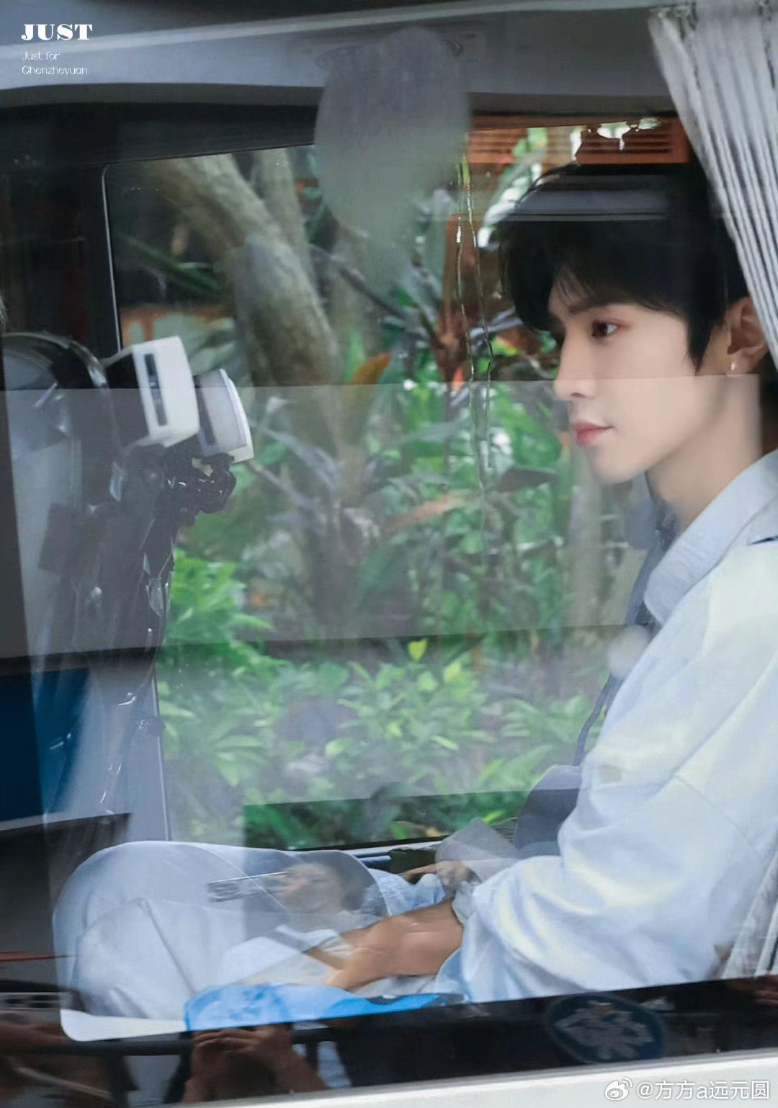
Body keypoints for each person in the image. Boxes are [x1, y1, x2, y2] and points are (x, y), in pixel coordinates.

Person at [55, 158, 778, 1018]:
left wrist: (394, 941)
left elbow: (611, 940)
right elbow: (614, 842)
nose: (566, 378)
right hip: (506, 916)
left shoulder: (748, 607)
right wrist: (449, 886)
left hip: (523, 1005)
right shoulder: (689, 565)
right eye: (562, 337)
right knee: (118, 884)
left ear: (739, 335)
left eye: (607, 329)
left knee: (128, 934)